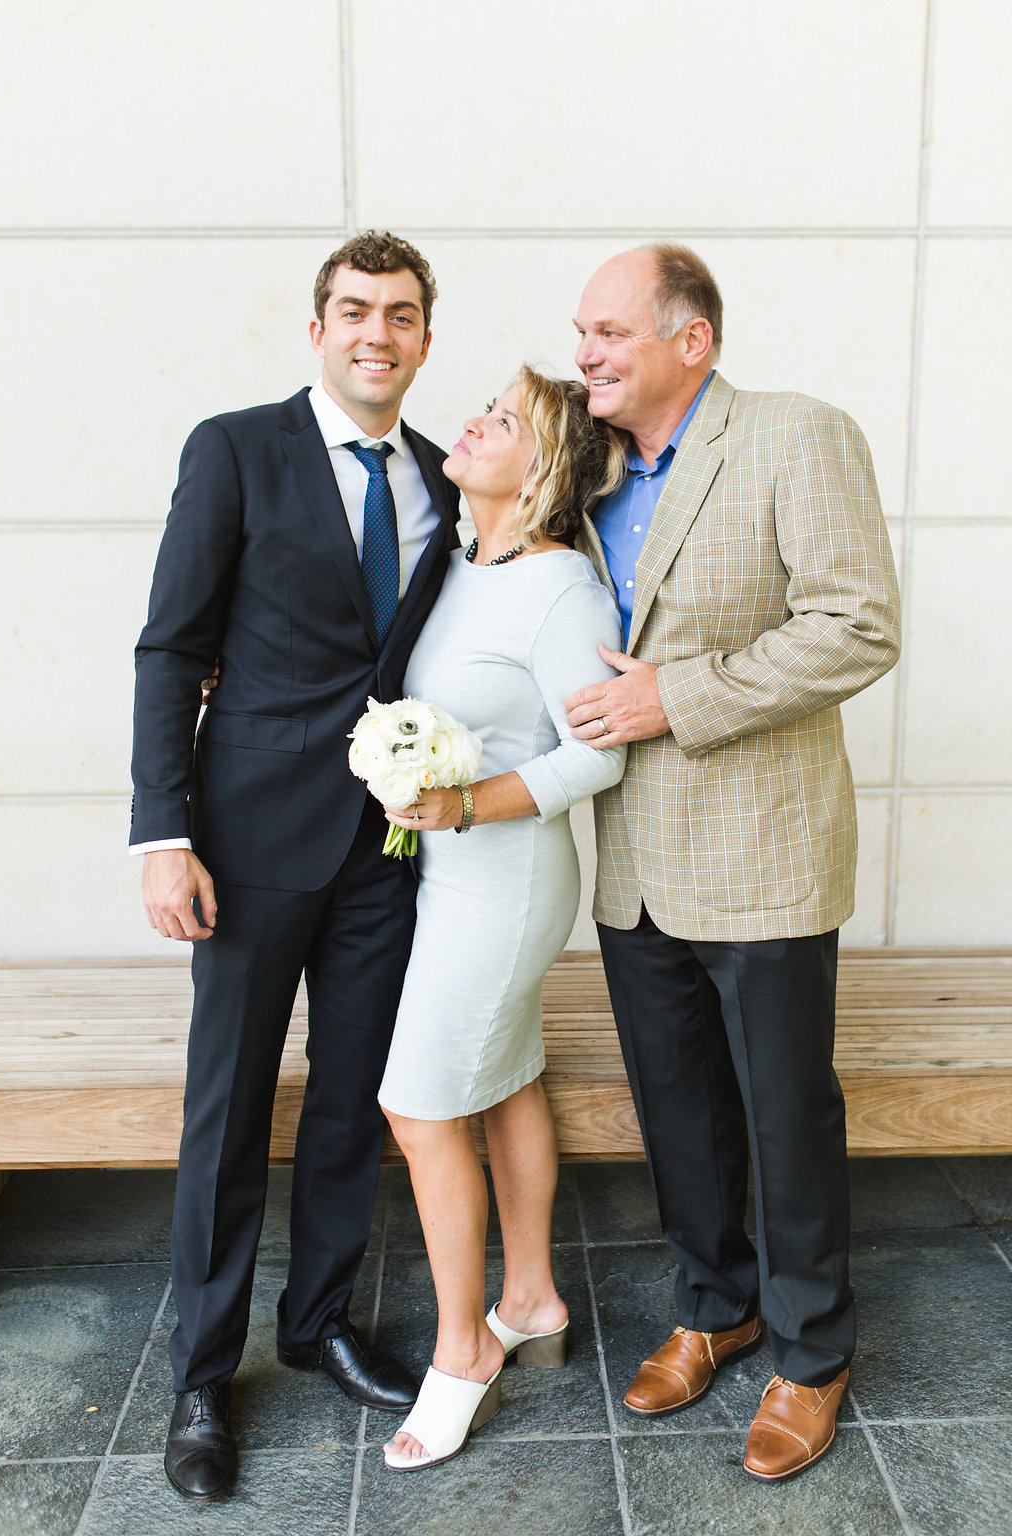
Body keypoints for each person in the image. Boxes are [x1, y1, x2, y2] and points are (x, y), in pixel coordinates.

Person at [130, 231, 461, 1501]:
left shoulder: (442, 477)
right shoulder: (234, 449)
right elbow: (172, 647)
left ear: (426, 339)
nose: (377, 333)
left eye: (402, 315)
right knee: (226, 1112)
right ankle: (202, 1377)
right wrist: (166, 835)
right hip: (250, 840)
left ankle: (317, 1319)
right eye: (354, 310)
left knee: (349, 1103)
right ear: (316, 327)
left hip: (386, 846)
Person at [564, 244, 901, 1481]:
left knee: (784, 1115)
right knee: (680, 1115)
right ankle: (716, 1308)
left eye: (608, 332)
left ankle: (812, 1356)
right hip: (634, 861)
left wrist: (679, 699)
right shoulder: (588, 470)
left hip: (763, 852)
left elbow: (856, 624)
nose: (585, 353)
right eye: (581, 333)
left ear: (689, 339)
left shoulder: (796, 434)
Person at [372, 366, 627, 1471]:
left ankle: (462, 1349)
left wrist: (463, 801)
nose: (472, 423)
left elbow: (597, 752)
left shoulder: (562, 585)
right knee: (510, 1074)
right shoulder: (467, 562)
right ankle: (530, 1299)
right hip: (450, 875)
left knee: (420, 1109)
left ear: (549, 468)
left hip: (510, 876)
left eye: (503, 420)